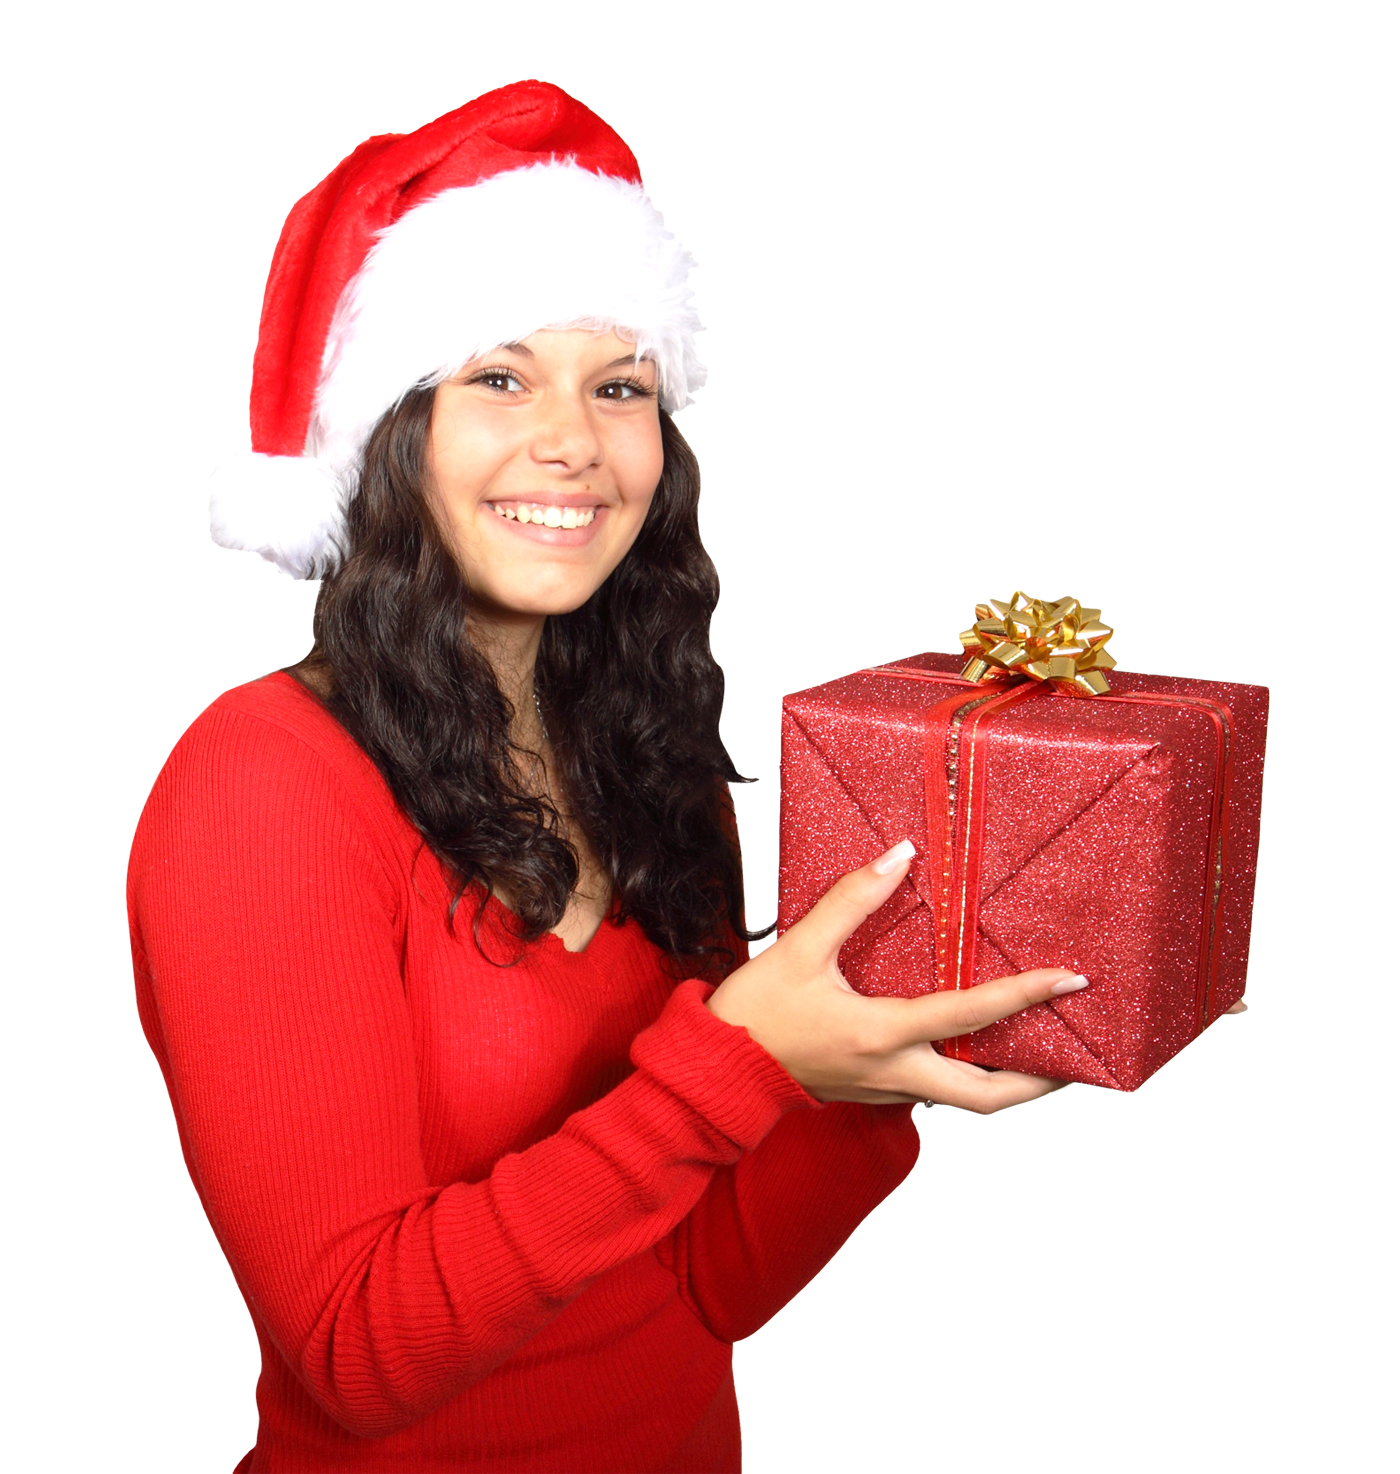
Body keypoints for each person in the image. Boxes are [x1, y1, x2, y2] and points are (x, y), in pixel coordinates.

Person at [128, 81, 1081, 1474]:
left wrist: (886, 1054)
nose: (573, 439)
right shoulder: (260, 783)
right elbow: (353, 1347)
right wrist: (741, 1057)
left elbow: (704, 1277)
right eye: (498, 377)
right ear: (384, 438)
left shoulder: (646, 756)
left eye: (619, 385)